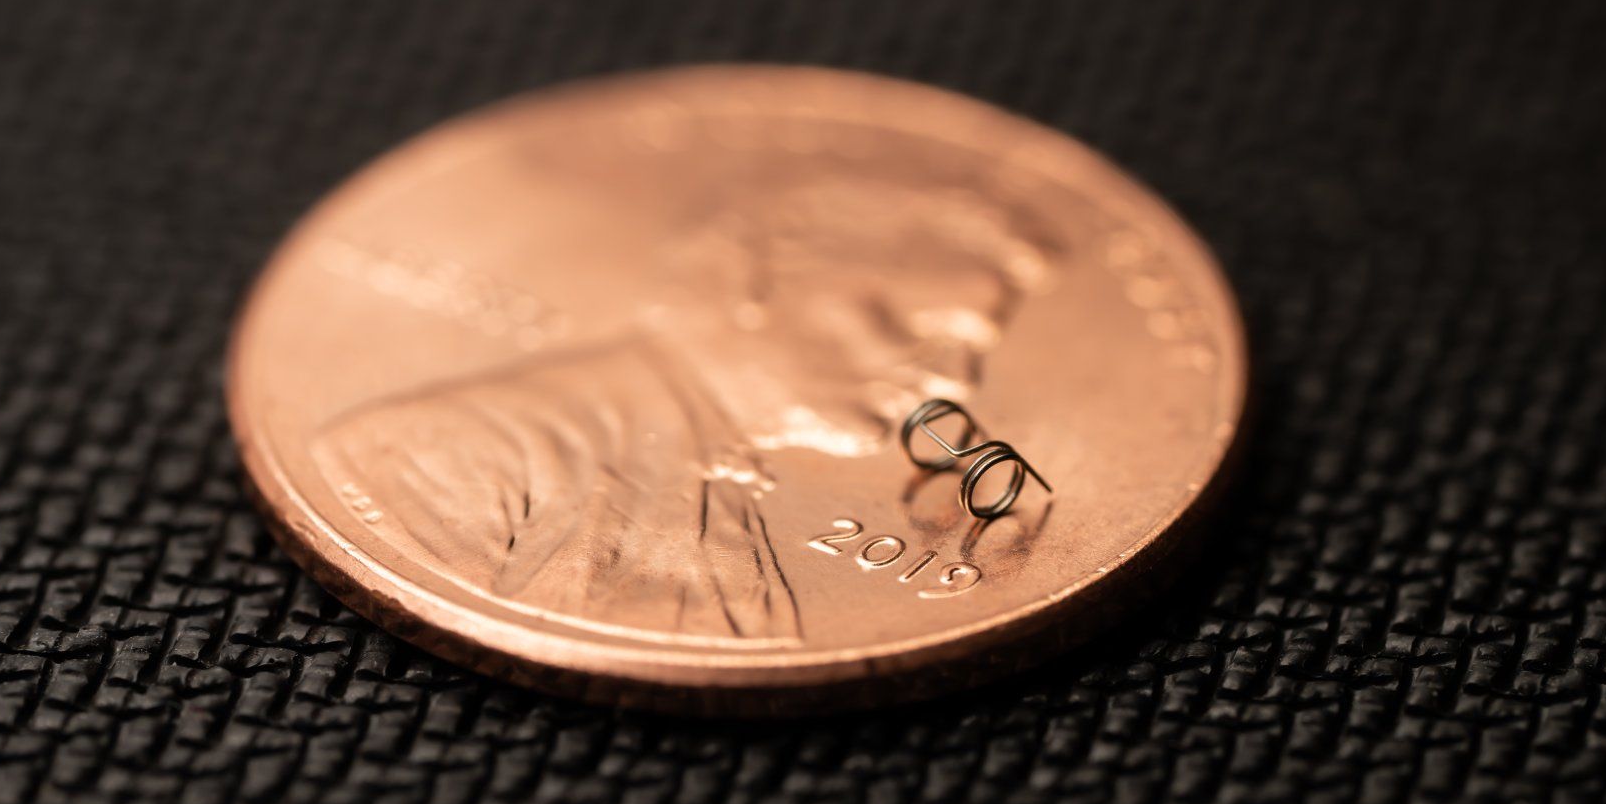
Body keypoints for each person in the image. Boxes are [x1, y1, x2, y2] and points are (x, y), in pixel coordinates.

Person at [313, 171, 1059, 642]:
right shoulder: (442, 450)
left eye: (973, 347)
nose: (956, 380)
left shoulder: (725, 478)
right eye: (910, 323)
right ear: (750, 279)